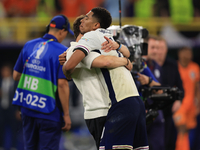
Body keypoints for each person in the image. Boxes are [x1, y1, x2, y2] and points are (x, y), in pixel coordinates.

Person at [63, 7, 149, 150]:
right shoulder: (110, 41)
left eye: (87, 18)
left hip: (116, 105)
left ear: (96, 25)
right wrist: (125, 60)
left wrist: (66, 66)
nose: (84, 20)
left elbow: (103, 62)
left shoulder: (91, 37)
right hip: (136, 102)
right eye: (83, 19)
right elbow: (123, 55)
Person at [12, 14, 72, 150]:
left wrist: (35, 71)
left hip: (28, 108)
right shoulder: (63, 51)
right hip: (49, 112)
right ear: (62, 31)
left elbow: (16, 75)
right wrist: (67, 115)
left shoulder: (29, 45)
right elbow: (62, 84)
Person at [151, 36, 184, 150]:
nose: (158, 51)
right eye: (156, 48)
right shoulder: (149, 66)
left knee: (169, 143)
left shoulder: (173, 65)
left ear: (166, 49)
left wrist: (179, 100)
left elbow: (180, 87)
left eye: (161, 48)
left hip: (168, 112)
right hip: (152, 112)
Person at [173, 47, 200, 150]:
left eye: (189, 53)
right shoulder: (175, 67)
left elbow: (197, 88)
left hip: (191, 106)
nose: (187, 55)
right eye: (185, 53)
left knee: (189, 131)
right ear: (179, 54)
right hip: (180, 105)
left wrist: (198, 105)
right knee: (181, 129)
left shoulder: (195, 67)